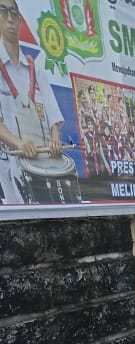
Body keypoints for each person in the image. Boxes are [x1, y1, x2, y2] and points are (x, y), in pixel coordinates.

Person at [0, 0, 66, 204]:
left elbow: (54, 118)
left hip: (44, 161)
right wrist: (19, 144)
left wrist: (55, 139)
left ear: (20, 21)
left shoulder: (36, 70)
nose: (9, 18)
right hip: (11, 163)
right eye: (3, 12)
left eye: (13, 13)